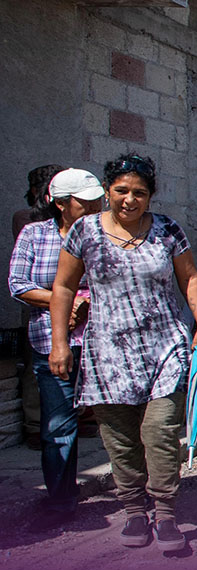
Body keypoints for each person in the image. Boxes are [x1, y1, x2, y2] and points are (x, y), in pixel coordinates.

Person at [48, 154, 197, 552]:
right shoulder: (85, 232)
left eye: (139, 192)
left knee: (159, 432)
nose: (129, 199)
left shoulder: (166, 230)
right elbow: (64, 287)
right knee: (120, 440)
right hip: (108, 352)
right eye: (121, 190)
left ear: (150, 196)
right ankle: (134, 511)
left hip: (165, 346)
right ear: (107, 192)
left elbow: (190, 278)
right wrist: (58, 342)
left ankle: (167, 512)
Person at [9, 168, 101, 530]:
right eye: (85, 201)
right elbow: (18, 284)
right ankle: (61, 502)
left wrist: (87, 300)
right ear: (61, 204)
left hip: (101, 342)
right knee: (58, 427)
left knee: (117, 422)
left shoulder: (103, 234)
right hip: (53, 343)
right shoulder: (35, 235)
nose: (96, 206)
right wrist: (61, 301)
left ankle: (137, 499)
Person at [16, 164, 67, 450]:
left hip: (74, 307)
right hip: (39, 302)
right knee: (39, 367)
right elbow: (21, 280)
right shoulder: (28, 222)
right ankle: (36, 423)